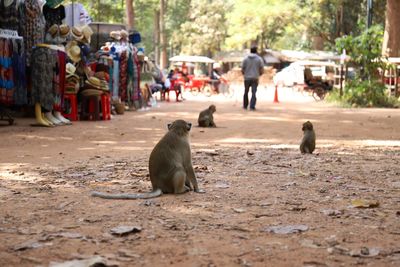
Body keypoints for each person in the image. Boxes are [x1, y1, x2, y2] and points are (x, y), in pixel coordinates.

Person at [241, 46, 264, 110]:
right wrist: (259, 74)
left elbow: (242, 68)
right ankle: (252, 106)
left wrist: (245, 74)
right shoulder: (259, 59)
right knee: (254, 92)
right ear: (256, 51)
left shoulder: (245, 59)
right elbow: (261, 68)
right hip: (255, 78)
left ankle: (245, 105)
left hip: (247, 78)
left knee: (246, 92)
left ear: (250, 51)